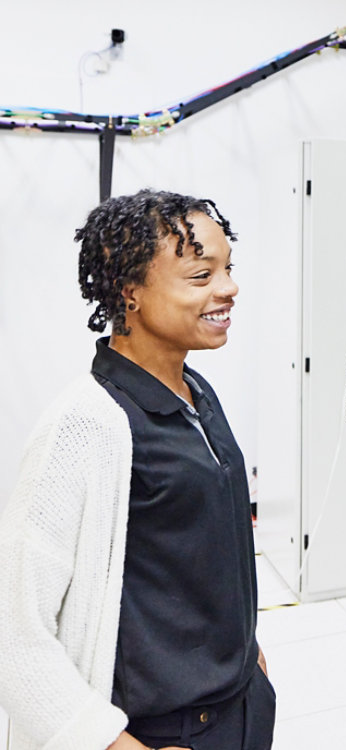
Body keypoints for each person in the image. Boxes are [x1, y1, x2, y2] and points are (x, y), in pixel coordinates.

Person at [0, 190, 275, 750]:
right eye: (202, 276)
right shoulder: (83, 425)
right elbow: (15, 633)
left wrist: (250, 657)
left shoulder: (197, 392)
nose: (229, 288)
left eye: (228, 268)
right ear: (131, 293)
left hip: (240, 707)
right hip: (160, 733)